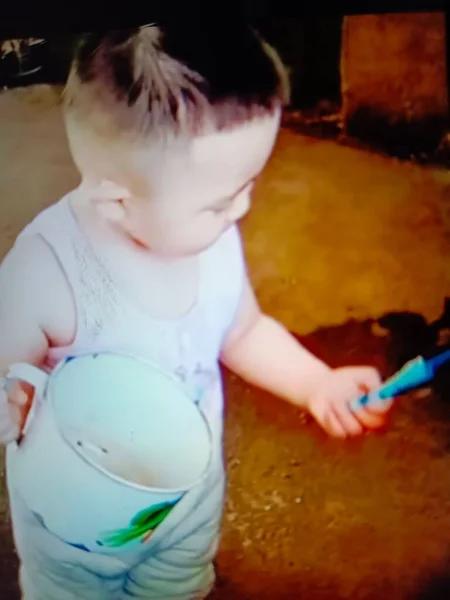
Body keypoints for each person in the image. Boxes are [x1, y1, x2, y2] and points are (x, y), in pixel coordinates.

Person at [0, 20, 393, 600]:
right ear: (117, 198)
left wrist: (316, 382)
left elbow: (243, 329)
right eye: (220, 199)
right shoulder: (47, 271)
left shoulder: (210, 243)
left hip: (187, 507)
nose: (243, 206)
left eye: (250, 182)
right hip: (80, 530)